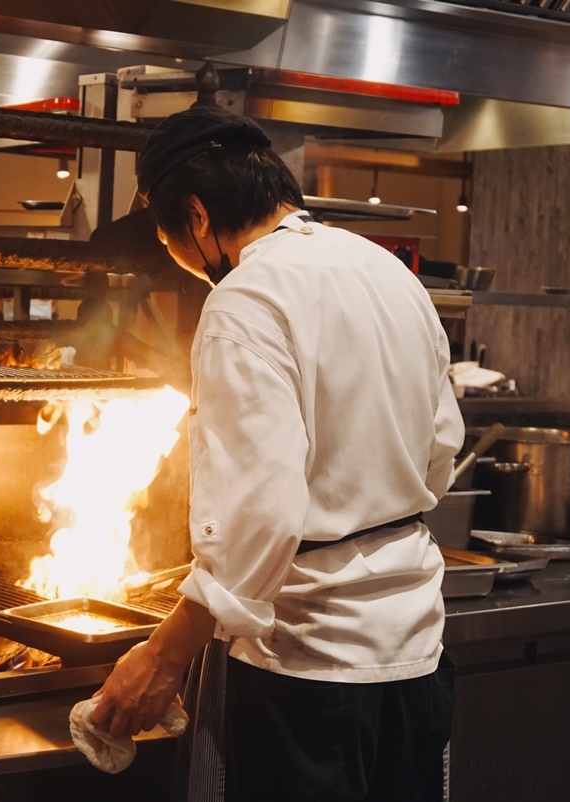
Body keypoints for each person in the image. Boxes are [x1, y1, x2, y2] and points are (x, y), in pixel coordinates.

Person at [89, 105, 465, 800]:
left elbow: (256, 520)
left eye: (170, 240)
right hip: (416, 655)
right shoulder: (388, 274)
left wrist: (162, 656)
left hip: (307, 673)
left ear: (197, 218)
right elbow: (441, 451)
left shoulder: (245, 302)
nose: (179, 261)